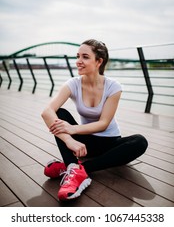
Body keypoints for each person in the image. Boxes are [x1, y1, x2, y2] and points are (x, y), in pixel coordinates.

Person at [41, 39, 148, 201]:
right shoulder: (73, 84)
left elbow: (103, 123)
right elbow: (46, 112)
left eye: (85, 57)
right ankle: (73, 169)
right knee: (59, 113)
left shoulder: (113, 87)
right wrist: (69, 140)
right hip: (86, 143)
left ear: (99, 61)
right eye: (77, 56)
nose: (78, 61)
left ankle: (77, 169)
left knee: (140, 141)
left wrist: (73, 129)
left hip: (110, 143)